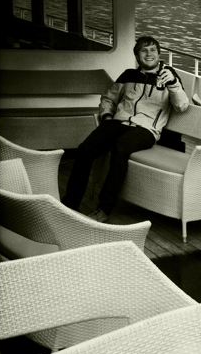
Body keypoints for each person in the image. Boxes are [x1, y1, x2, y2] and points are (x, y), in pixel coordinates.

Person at [62, 35, 189, 222]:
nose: (149, 54)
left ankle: (104, 208)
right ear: (137, 56)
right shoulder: (128, 75)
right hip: (117, 123)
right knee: (85, 149)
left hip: (146, 130)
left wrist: (173, 83)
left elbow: (182, 106)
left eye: (153, 50)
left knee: (120, 148)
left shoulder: (169, 76)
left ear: (159, 54)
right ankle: (70, 204)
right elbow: (109, 98)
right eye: (144, 50)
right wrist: (107, 117)